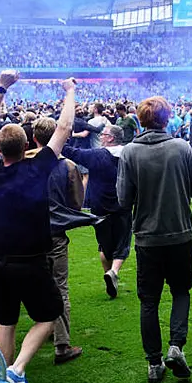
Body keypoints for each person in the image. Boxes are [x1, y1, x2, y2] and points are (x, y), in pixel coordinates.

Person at [0, 71, 74, 383]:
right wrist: (70, 91)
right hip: (30, 262)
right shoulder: (38, 167)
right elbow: (62, 129)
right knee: (49, 314)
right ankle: (16, 370)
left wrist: (2, 86)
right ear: (26, 146)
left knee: (6, 321)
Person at [117, 96, 192, 383]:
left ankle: (154, 363)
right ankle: (175, 346)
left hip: (147, 238)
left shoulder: (129, 152)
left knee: (149, 300)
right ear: (168, 119)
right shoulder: (181, 147)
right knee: (181, 291)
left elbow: (123, 199)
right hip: (179, 233)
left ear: (141, 120)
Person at [27, 117, 92, 365]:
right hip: (54, 234)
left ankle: (45, 327)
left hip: (29, 233)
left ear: (34, 138)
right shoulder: (68, 166)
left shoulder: (25, 162)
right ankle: (61, 343)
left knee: (36, 284)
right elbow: (76, 203)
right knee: (59, 286)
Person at [61, 124, 132, 298]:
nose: (100, 137)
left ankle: (110, 274)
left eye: (103, 134)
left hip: (100, 207)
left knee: (104, 245)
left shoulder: (97, 155)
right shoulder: (130, 154)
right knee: (122, 243)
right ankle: (113, 272)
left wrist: (63, 132)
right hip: (123, 205)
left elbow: (70, 152)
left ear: (110, 138)